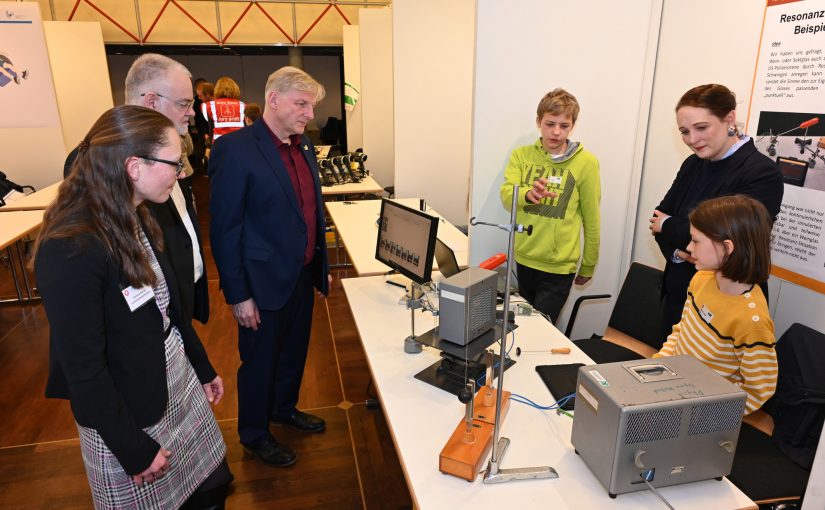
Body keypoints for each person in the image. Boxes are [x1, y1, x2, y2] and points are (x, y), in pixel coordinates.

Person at [35, 105, 231, 508]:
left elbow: (168, 310)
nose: (181, 174)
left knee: (210, 488)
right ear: (134, 166)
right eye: (175, 164)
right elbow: (84, 369)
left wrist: (201, 365)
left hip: (172, 379)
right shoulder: (71, 246)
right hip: (127, 409)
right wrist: (132, 447)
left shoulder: (133, 214)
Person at [209, 66, 330, 467]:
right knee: (260, 361)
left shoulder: (305, 147)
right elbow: (225, 229)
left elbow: (308, 212)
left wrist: (318, 261)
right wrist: (239, 293)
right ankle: (255, 433)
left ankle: (284, 407)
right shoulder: (235, 149)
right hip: (260, 283)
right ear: (273, 99)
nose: (309, 113)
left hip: (301, 274)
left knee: (294, 351)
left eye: (311, 105)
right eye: (301, 103)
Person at [65, 53, 210, 327]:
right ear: (152, 101)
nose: (192, 112)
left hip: (177, 300)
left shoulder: (167, 147)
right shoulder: (98, 159)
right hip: (145, 317)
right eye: (184, 103)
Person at [651, 84, 784, 339]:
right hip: (680, 297)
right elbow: (658, 218)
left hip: (727, 306)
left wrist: (670, 226)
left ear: (729, 119)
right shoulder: (693, 164)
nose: (692, 139)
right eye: (684, 132)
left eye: (701, 128)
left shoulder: (761, 172)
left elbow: (731, 241)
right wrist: (681, 249)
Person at [653, 195, 778, 414]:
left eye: (696, 240)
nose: (689, 247)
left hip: (702, 416)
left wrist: (713, 415)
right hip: (673, 393)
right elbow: (681, 332)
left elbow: (761, 389)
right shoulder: (701, 279)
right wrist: (657, 368)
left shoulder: (752, 321)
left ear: (727, 248)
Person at [499, 88, 601, 324]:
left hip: (559, 268)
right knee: (521, 327)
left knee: (540, 328)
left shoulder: (586, 163)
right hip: (524, 260)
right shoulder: (521, 156)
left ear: (572, 126)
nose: (556, 132)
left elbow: (591, 218)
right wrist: (527, 193)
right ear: (538, 122)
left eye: (564, 126)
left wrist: (588, 264)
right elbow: (506, 196)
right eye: (550, 123)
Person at [201, 76, 246, 141]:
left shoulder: (210, 105)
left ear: (217, 90)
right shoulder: (242, 105)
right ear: (235, 89)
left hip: (219, 144)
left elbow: (211, 129)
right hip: (239, 142)